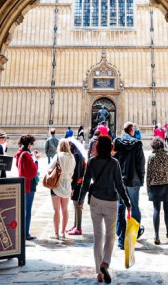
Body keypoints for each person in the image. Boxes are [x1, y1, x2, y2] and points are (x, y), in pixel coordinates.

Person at [78, 135, 131, 284]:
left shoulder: (92, 162)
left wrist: (81, 200)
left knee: (98, 237)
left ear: (98, 146)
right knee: (110, 236)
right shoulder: (114, 163)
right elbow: (119, 185)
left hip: (95, 200)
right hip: (110, 202)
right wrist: (127, 202)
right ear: (111, 147)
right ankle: (105, 263)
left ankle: (99, 273)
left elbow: (86, 183)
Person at [113, 121, 145, 249]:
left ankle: (121, 239)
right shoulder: (137, 143)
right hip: (133, 180)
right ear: (131, 130)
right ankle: (132, 236)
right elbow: (141, 163)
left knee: (120, 207)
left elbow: (113, 159)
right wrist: (141, 178)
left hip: (119, 179)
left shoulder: (117, 142)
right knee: (134, 207)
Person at [146, 137, 168, 244]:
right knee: (167, 209)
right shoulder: (167, 156)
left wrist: (148, 188)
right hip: (166, 185)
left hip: (155, 186)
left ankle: (156, 235)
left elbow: (148, 175)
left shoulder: (151, 157)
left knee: (156, 209)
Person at [49, 138, 76, 239]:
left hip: (56, 185)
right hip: (67, 185)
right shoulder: (72, 157)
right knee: (65, 209)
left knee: (56, 210)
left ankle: (56, 233)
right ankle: (63, 232)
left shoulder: (58, 156)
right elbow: (72, 173)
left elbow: (50, 168)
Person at [14, 134, 40, 240]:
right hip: (29, 185)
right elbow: (33, 172)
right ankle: (26, 233)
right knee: (27, 211)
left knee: (22, 209)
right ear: (29, 144)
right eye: (32, 144)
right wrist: (36, 160)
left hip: (22, 182)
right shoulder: (26, 155)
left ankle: (21, 232)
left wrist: (32, 156)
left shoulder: (20, 153)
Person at [67, 139, 86, 236]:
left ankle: (78, 228)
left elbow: (77, 173)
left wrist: (73, 186)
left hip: (78, 184)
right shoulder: (78, 154)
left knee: (77, 205)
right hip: (79, 183)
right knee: (75, 205)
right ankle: (75, 225)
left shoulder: (77, 156)